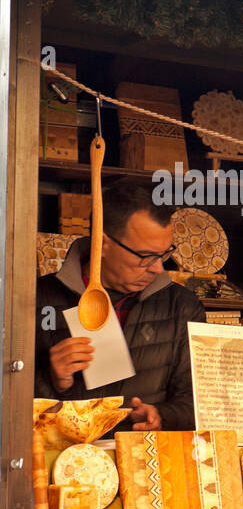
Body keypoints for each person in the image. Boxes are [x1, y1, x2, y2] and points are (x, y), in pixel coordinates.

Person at [35, 184, 205, 431]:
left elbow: (199, 402)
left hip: (146, 459)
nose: (158, 268)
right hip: (67, 463)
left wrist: (162, 416)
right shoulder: (35, 300)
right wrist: (51, 380)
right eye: (146, 256)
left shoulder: (183, 308)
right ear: (102, 243)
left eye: (164, 254)